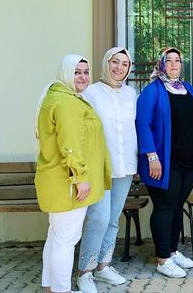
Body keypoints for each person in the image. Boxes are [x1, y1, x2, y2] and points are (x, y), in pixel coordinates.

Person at [35, 54, 111, 293]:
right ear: (66, 73)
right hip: (68, 182)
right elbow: (71, 145)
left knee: (57, 237)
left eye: (86, 72)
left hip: (60, 180)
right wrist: (81, 179)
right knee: (66, 240)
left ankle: (50, 287)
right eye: (77, 72)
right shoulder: (66, 102)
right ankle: (60, 289)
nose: (83, 77)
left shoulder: (63, 96)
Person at [136, 47, 193, 278]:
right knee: (165, 207)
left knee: (177, 205)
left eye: (178, 60)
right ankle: (163, 259)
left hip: (187, 162)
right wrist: (152, 157)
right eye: (169, 60)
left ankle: (172, 251)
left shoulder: (188, 89)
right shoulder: (152, 91)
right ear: (161, 64)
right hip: (163, 164)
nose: (174, 64)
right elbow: (142, 124)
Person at [75, 48, 137, 292]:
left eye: (124, 64)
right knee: (98, 218)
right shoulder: (90, 93)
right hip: (98, 167)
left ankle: (103, 266)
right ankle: (85, 272)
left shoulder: (131, 94)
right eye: (115, 62)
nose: (119, 67)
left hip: (125, 165)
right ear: (106, 63)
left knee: (112, 219)